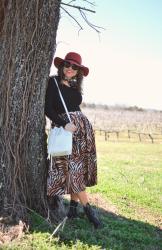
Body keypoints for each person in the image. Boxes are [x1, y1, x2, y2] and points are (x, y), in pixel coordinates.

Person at [45, 52, 101, 228]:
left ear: (78, 71)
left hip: (82, 132)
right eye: (67, 64)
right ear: (62, 66)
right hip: (67, 130)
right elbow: (48, 108)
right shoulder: (53, 83)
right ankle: (89, 212)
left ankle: (72, 209)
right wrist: (63, 124)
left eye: (74, 67)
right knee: (73, 170)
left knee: (79, 169)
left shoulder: (74, 86)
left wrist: (78, 126)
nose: (70, 68)